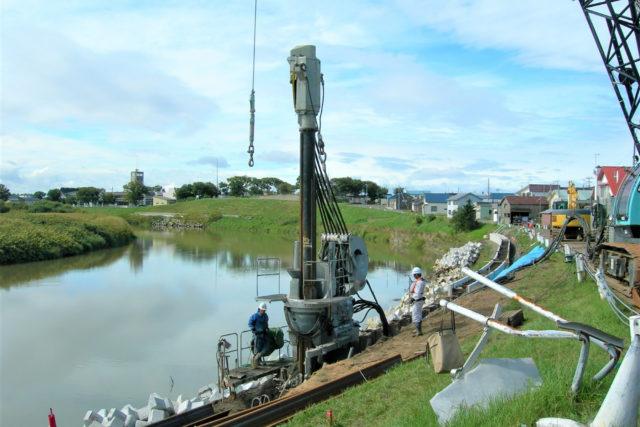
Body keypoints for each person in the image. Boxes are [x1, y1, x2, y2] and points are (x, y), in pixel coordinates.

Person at [248, 302, 269, 368]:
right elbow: (250, 323)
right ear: (259, 309)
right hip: (257, 335)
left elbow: (266, 323)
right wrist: (252, 328)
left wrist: (266, 328)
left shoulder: (265, 316)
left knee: (266, 347)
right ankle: (256, 362)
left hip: (264, 334)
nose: (263, 311)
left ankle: (258, 359)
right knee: (257, 348)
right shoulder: (255, 316)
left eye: (264, 310)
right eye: (262, 310)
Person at [410, 267, 426, 336]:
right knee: (418, 314)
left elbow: (418, 293)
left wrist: (413, 298)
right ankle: (418, 329)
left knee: (415, 315)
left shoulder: (419, 283)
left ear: (416, 275)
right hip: (420, 300)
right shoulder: (421, 281)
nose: (413, 276)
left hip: (418, 300)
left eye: (414, 275)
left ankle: (418, 331)